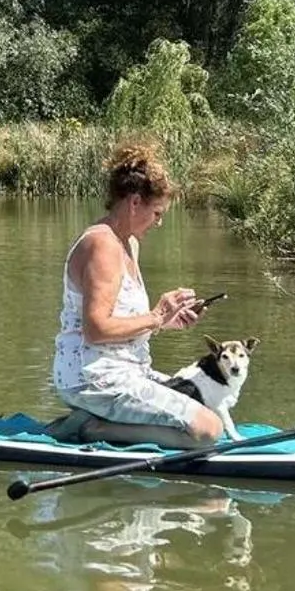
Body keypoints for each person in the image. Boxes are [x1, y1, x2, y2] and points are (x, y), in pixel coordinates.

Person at [52, 140, 223, 446]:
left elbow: (124, 320)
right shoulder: (102, 245)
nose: (160, 222)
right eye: (157, 213)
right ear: (134, 203)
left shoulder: (129, 243)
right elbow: (96, 329)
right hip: (93, 379)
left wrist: (167, 321)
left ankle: (102, 422)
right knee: (207, 430)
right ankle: (92, 429)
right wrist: (157, 316)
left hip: (126, 372)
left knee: (204, 402)